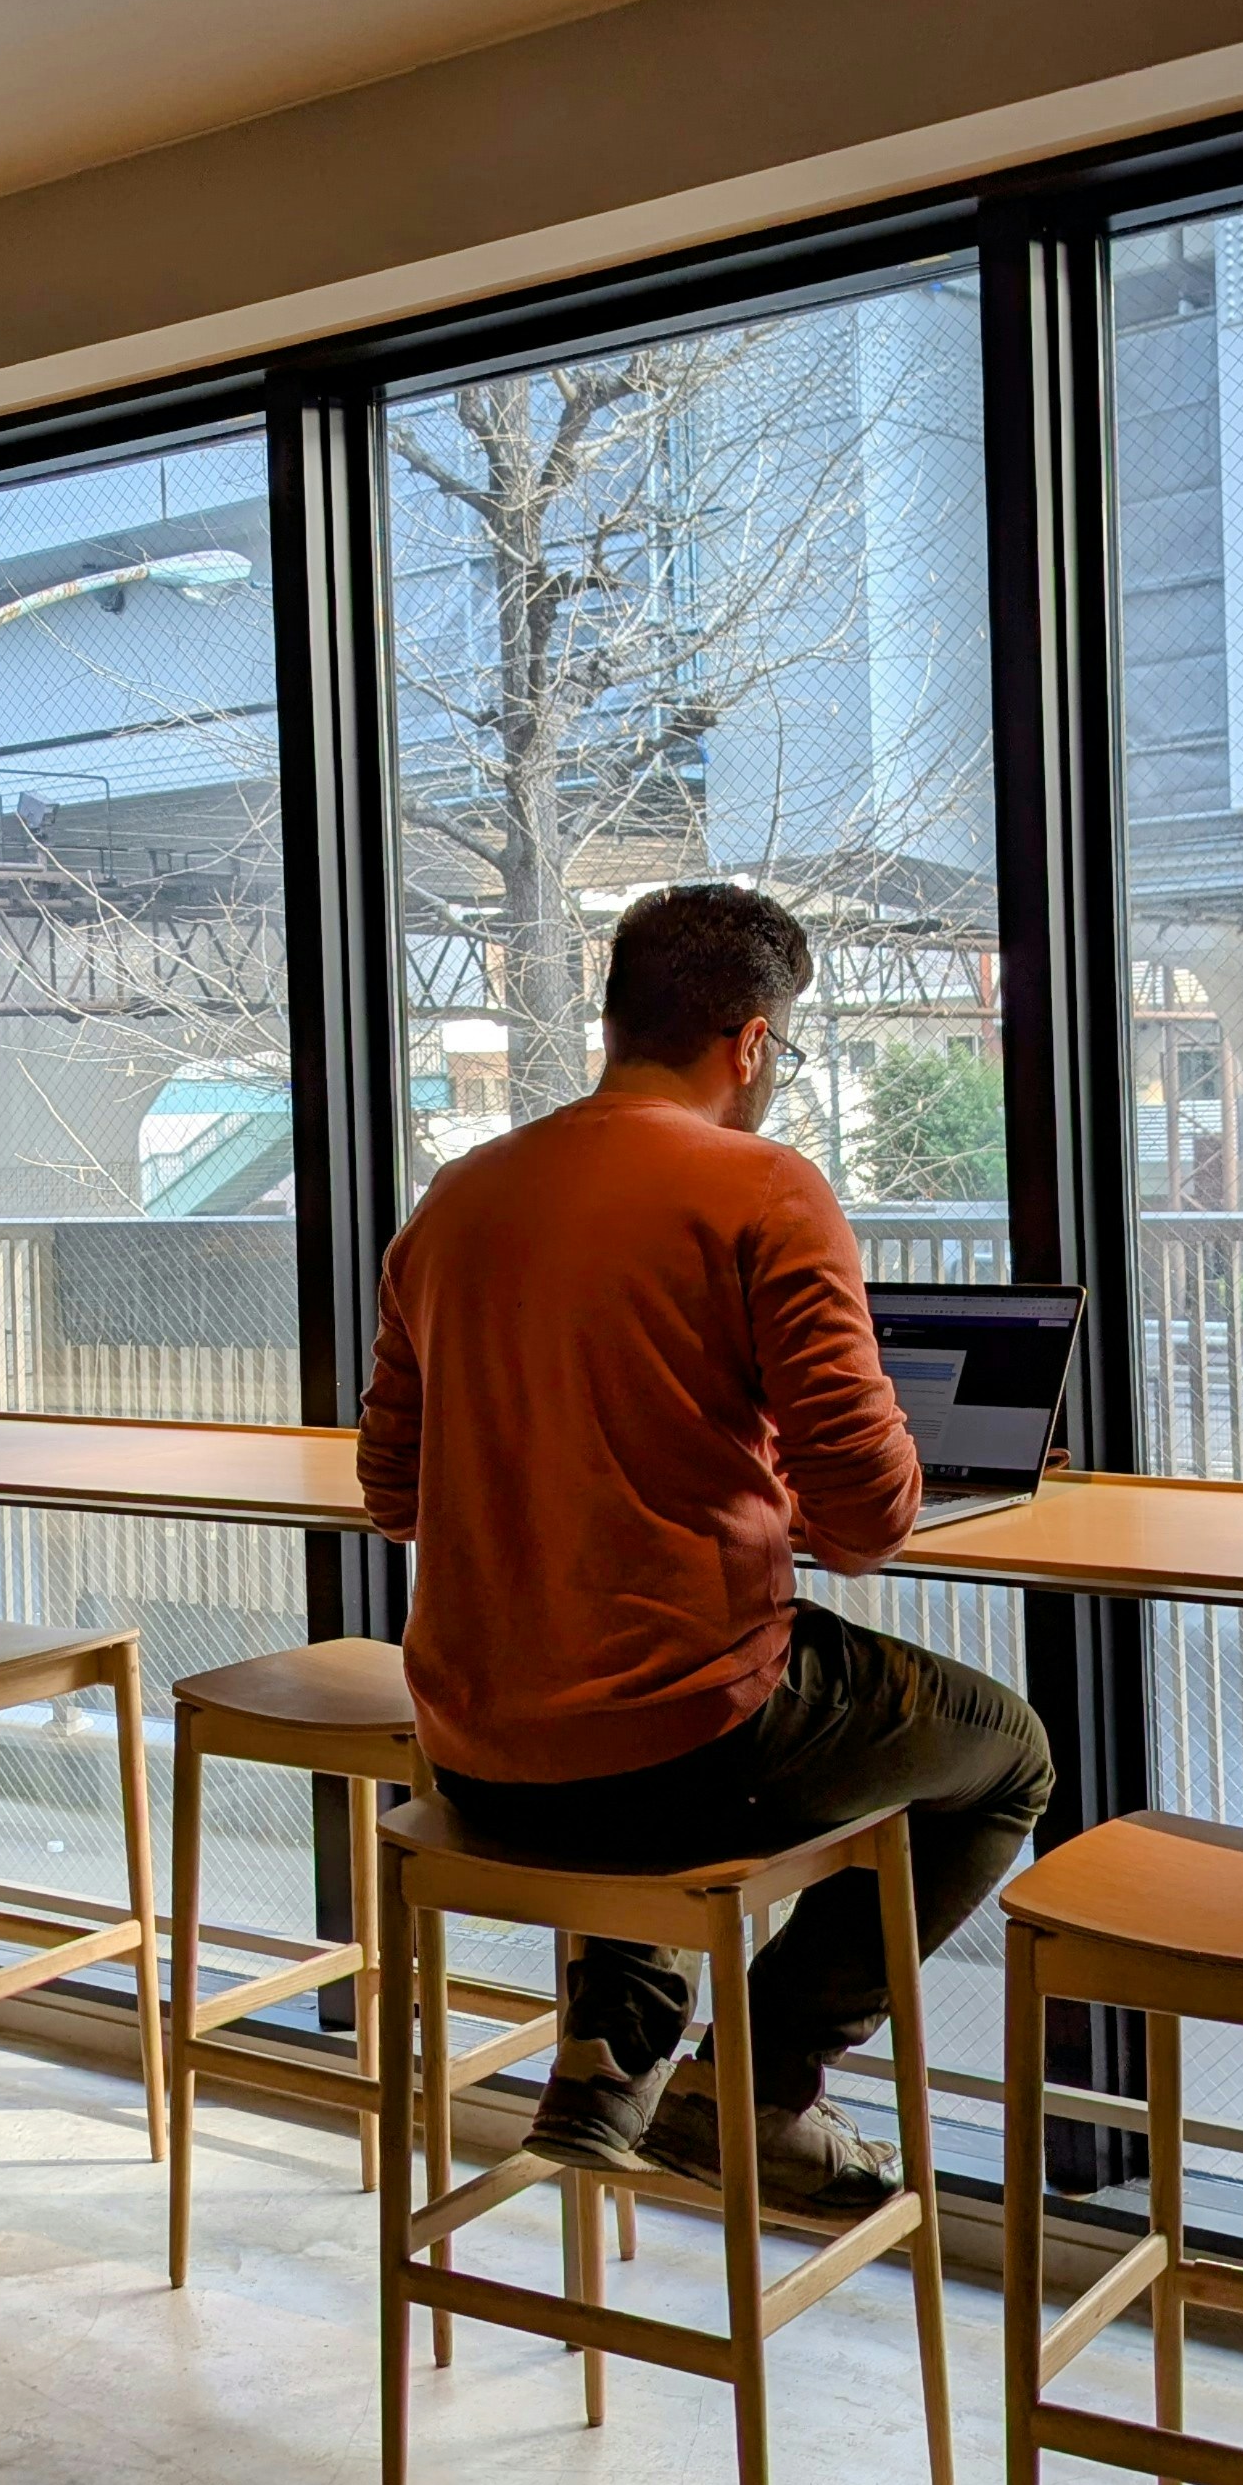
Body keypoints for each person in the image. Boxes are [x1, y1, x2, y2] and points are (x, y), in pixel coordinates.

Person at [357, 880, 1054, 2219]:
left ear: (619, 1024)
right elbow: (868, 1523)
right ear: (749, 1044)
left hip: (476, 1754)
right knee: (1008, 1758)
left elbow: (397, 1491)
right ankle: (753, 2088)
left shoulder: (459, 1200)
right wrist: (806, 1484)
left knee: (626, 1664)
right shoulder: (763, 1188)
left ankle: (607, 2070)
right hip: (676, 1758)